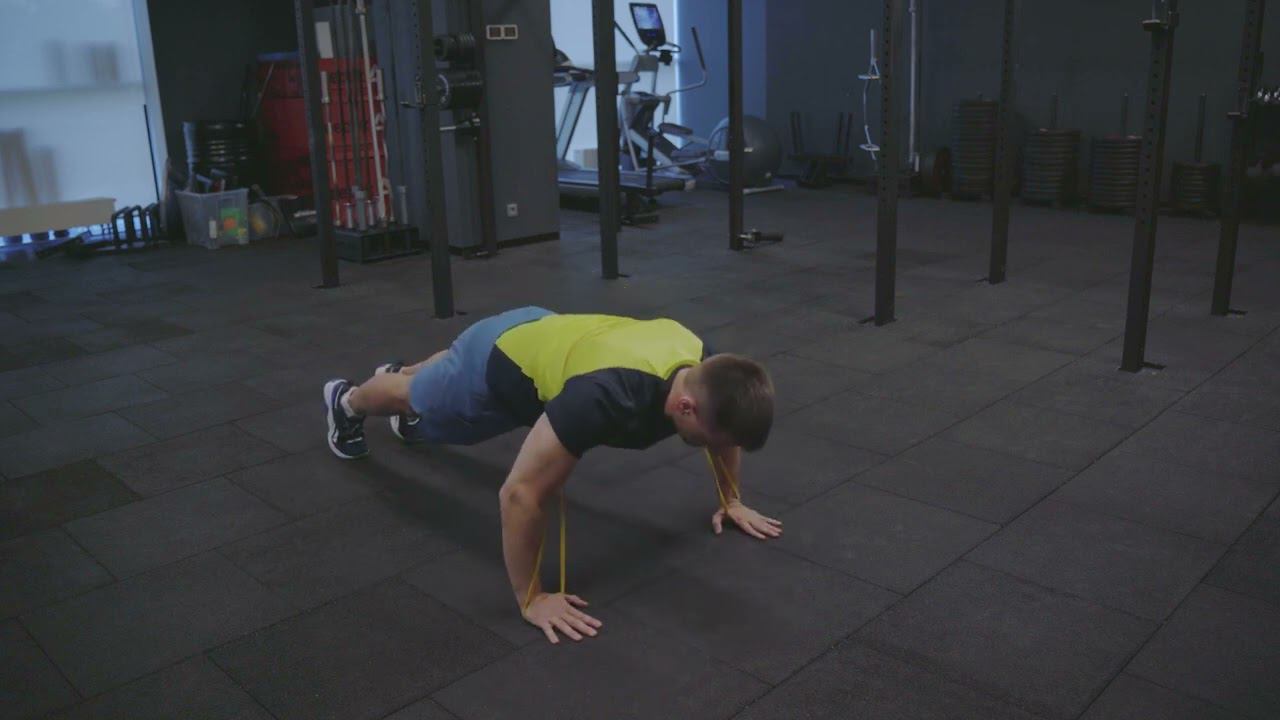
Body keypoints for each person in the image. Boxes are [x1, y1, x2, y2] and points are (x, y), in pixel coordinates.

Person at [323, 306, 781, 644]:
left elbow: (725, 433)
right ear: (685, 407)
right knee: (414, 396)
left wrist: (732, 499)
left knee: (444, 373)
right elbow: (519, 494)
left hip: (542, 329)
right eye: (712, 437)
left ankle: (411, 373)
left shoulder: (707, 365)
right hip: (497, 363)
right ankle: (347, 401)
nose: (721, 446)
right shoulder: (602, 397)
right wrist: (533, 598)